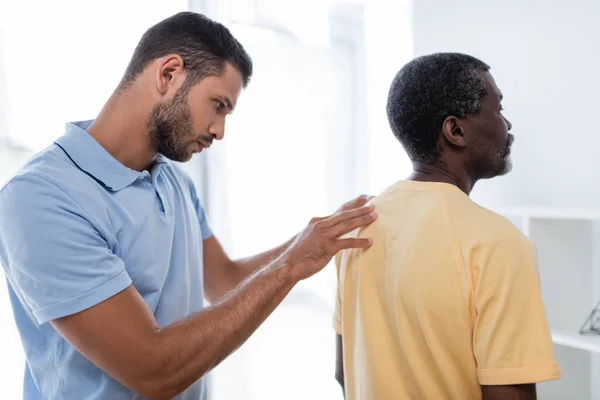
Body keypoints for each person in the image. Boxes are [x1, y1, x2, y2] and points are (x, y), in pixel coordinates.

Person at [0, 12, 378, 400]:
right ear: (168, 74)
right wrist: (289, 266)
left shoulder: (174, 182)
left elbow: (225, 283)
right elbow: (154, 370)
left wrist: (314, 238)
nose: (219, 130)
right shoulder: (41, 197)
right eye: (218, 105)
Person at [333, 53, 561, 400]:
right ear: (455, 130)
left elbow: (344, 372)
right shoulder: (497, 244)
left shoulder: (355, 228)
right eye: (498, 110)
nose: (507, 125)